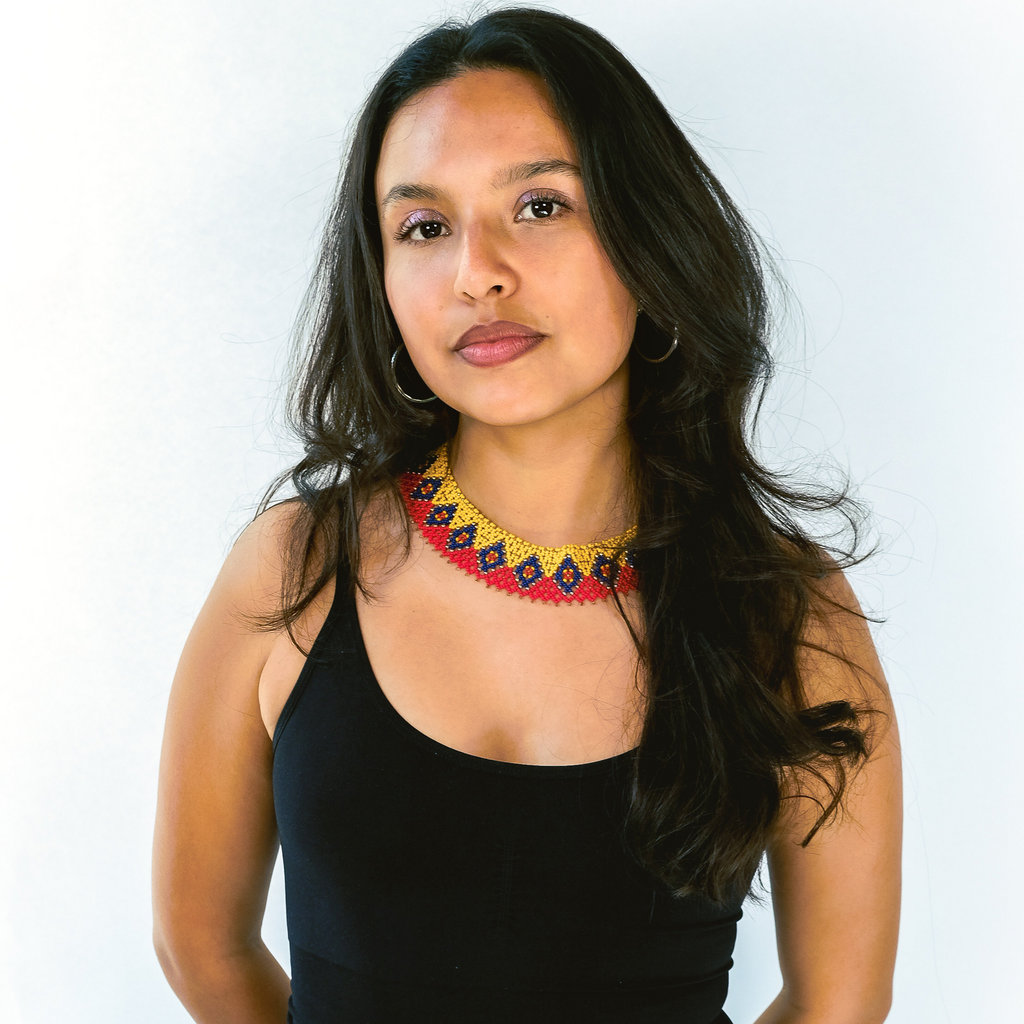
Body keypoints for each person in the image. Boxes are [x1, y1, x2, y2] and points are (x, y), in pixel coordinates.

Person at [152, 7, 902, 1023]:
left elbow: (837, 1005)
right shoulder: (295, 565)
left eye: (540, 205)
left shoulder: (787, 608)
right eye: (424, 227)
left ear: (649, 234)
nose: (478, 272)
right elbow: (200, 945)